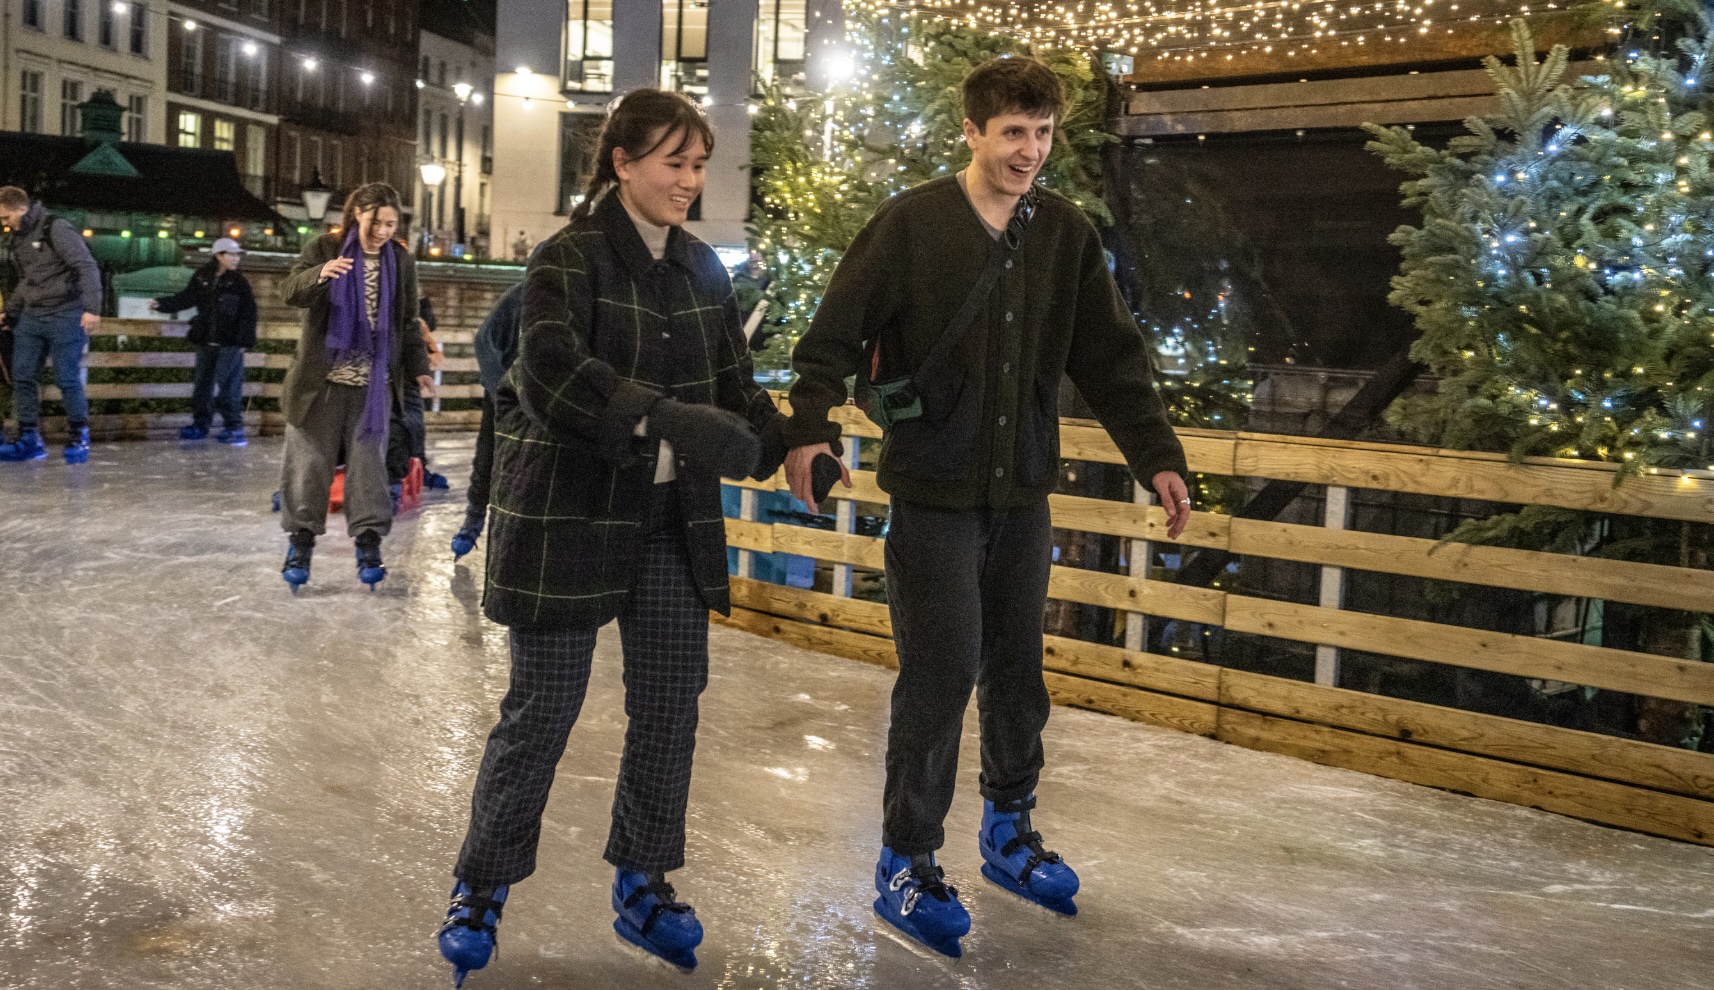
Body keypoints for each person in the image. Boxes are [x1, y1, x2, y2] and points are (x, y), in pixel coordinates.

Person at [782, 56, 1192, 957]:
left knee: (1017, 671)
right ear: (971, 131)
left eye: (1042, 134)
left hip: (1021, 496)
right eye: (1013, 133)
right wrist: (807, 430)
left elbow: (1112, 360)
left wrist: (1157, 456)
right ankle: (905, 857)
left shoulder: (1065, 236)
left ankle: (1008, 829)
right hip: (932, 495)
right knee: (941, 673)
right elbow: (829, 338)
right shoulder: (913, 224)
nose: (1029, 152)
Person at [436, 89, 785, 986]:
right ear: (623, 163)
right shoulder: (568, 259)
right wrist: (671, 420)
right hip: (571, 520)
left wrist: (796, 441)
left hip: (669, 525)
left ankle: (644, 880)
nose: (690, 181)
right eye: (674, 162)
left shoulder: (703, 271)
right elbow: (552, 375)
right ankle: (481, 886)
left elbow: (738, 386)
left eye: (699, 164)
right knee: (542, 710)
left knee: (669, 707)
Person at [275, 183, 432, 592]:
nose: (382, 230)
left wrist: (419, 369)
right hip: (319, 385)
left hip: (372, 388)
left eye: (390, 224)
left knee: (368, 472)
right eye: (376, 221)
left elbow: (407, 322)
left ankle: (368, 544)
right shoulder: (324, 250)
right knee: (308, 469)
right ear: (356, 214)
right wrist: (319, 275)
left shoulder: (401, 261)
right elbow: (289, 292)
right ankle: (301, 543)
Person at [0, 185, 103, 464]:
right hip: (32, 316)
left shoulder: (55, 228)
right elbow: (28, 280)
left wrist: (92, 309)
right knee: (22, 376)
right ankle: (29, 438)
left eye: (6, 217)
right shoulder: (19, 238)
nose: (4, 224)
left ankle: (78, 434)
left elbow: (86, 266)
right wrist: (9, 313)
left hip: (66, 314)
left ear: (21, 208)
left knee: (66, 377)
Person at [151, 238, 258, 445]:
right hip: (205, 339)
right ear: (219, 255)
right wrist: (161, 304)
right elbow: (186, 298)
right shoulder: (202, 277)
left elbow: (249, 312)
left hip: (230, 343)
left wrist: (245, 340)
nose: (236, 259)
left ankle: (234, 427)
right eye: (232, 254)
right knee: (202, 385)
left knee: (228, 385)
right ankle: (200, 425)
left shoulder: (238, 282)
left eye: (237, 255)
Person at [450, 279, 522, 560]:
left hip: (547, 399)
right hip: (508, 393)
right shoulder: (520, 296)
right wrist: (500, 389)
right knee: (488, 456)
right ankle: (474, 516)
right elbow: (485, 340)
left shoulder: (579, 296)